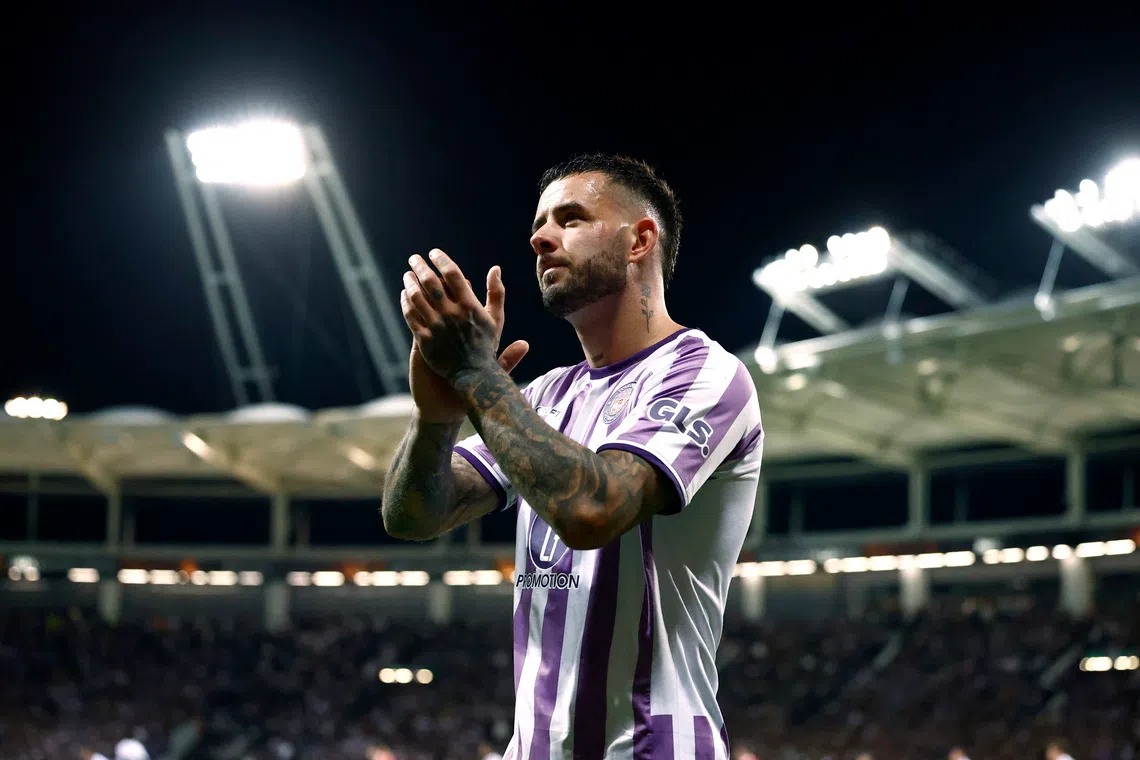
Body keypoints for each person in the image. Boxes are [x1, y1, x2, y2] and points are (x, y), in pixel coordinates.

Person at [383, 153, 764, 759]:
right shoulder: (546, 395)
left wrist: (478, 373)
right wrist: (436, 418)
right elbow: (414, 515)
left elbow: (595, 507)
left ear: (640, 240)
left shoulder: (705, 375)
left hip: (650, 747)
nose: (538, 238)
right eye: (539, 222)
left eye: (570, 218)